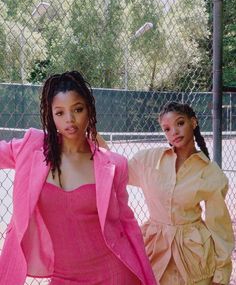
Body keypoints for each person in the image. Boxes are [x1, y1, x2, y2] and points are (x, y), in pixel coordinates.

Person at [0, 71, 157, 285]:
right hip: (63, 276)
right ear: (50, 115)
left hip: (113, 274)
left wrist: (147, 278)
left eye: (77, 109)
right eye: (60, 112)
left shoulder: (114, 165)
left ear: (89, 110)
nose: (70, 119)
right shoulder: (31, 148)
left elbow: (128, 227)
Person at [127, 101, 234, 285]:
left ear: (193, 122)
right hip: (155, 250)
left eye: (180, 123)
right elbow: (113, 170)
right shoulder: (150, 159)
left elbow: (220, 227)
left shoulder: (210, 173)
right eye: (167, 129)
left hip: (193, 257)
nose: (174, 132)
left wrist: (220, 275)